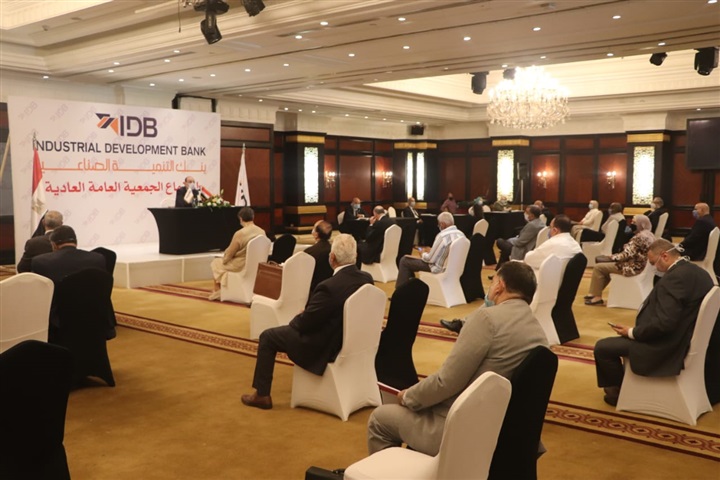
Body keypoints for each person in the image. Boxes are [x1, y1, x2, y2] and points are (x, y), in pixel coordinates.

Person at [366, 261, 548, 456]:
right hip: (503, 429)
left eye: (492, 281)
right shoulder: (539, 333)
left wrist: (408, 397)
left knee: (379, 419)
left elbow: (447, 381)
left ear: (499, 286)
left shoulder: (487, 319)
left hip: (459, 428)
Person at [241, 234, 373, 410]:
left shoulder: (329, 287)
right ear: (355, 256)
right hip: (352, 340)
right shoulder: (366, 280)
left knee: (267, 337)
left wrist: (300, 316)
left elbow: (304, 324)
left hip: (324, 344)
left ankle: (262, 394)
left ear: (332, 258)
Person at [593, 239, 714, 406]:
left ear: (664, 256)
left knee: (602, 348)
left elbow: (664, 324)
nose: (654, 268)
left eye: (653, 263)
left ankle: (619, 393)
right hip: (690, 338)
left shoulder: (674, 279)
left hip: (668, 345)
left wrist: (632, 332)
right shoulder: (699, 272)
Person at [31, 225, 107, 339]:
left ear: (53, 245)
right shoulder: (98, 259)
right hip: (93, 316)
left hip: (57, 322)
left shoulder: (41, 262)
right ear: (76, 242)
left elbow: (38, 295)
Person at [583, 215, 655, 306]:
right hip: (641, 266)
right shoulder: (650, 235)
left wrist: (612, 257)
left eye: (634, 223)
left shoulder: (639, 238)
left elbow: (626, 255)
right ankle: (594, 293)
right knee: (606, 268)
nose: (631, 224)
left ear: (641, 224)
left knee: (599, 267)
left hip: (632, 267)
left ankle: (596, 297)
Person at [209, 207, 265, 301]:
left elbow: (229, 254)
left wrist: (224, 259)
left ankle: (217, 290)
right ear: (253, 217)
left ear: (241, 219)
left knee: (216, 262)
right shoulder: (262, 232)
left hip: (240, 265)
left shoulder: (240, 233)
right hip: (257, 264)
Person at [396, 212, 465, 288]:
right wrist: (432, 250)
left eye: (439, 224)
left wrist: (422, 253)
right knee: (410, 261)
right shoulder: (461, 235)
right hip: (453, 268)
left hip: (437, 268)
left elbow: (430, 259)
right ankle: (410, 287)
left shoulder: (442, 236)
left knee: (404, 260)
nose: (438, 226)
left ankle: (400, 291)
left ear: (442, 224)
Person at [495, 205, 545, 269]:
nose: (525, 214)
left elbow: (520, 242)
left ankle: (501, 270)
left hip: (523, 249)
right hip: (530, 246)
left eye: (527, 212)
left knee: (500, 241)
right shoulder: (541, 223)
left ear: (532, 215)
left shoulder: (532, 225)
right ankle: (501, 269)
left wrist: (509, 240)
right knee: (505, 251)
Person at [303, 220, 333, 294]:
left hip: (313, 290)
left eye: (313, 228)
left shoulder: (309, 252)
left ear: (316, 234)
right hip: (331, 288)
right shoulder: (334, 250)